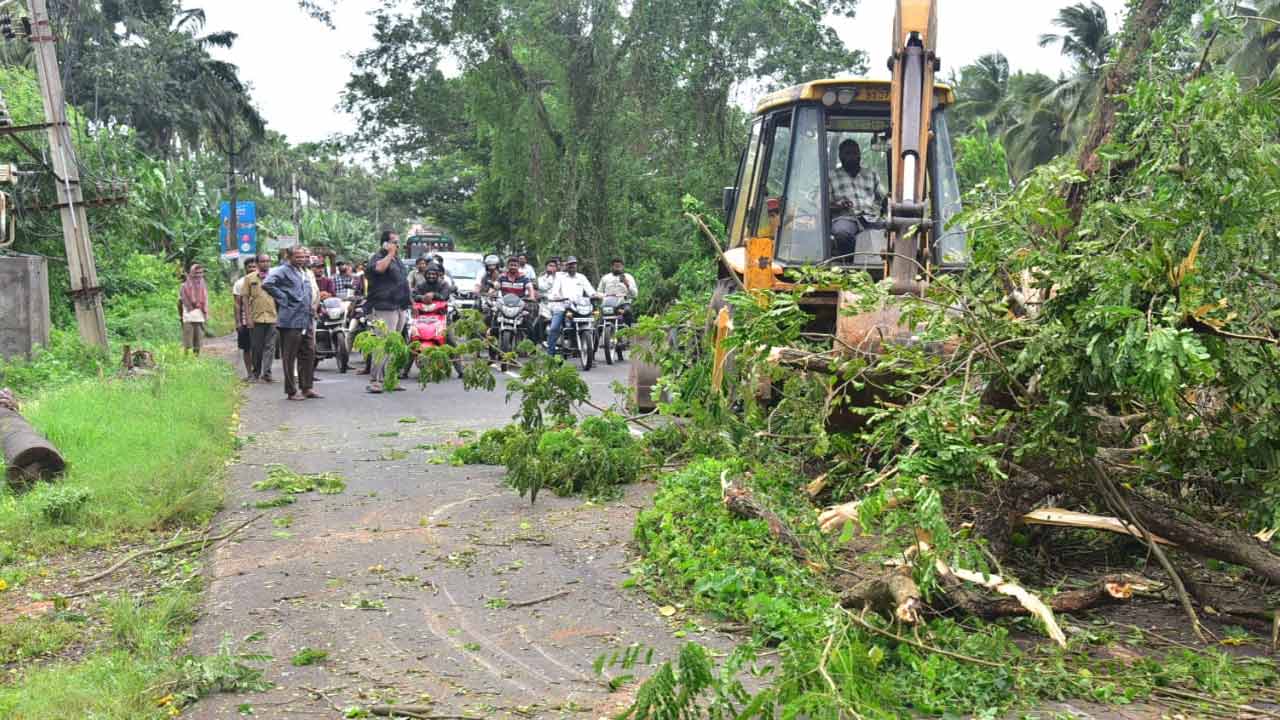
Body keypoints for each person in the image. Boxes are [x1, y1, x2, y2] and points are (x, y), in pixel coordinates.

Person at [263, 246, 322, 401]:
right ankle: (291, 390)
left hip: (306, 319)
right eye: (298, 257)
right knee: (289, 356)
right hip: (290, 320)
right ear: (289, 257)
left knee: (309, 353)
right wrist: (283, 298)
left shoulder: (304, 271)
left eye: (303, 257)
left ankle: (307, 387)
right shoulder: (282, 270)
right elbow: (268, 283)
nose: (302, 259)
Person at [364, 229, 412, 393]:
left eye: (398, 242)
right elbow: (379, 269)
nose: (397, 245)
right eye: (394, 242)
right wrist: (390, 253)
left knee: (395, 344)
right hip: (383, 306)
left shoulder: (398, 260)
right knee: (382, 343)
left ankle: (391, 379)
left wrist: (409, 302)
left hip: (399, 306)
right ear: (385, 244)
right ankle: (374, 380)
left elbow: (403, 282)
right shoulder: (378, 258)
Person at [828, 138, 886, 254]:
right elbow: (822, 203)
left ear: (859, 154)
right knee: (842, 233)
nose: (852, 157)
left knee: (892, 230)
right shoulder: (831, 176)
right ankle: (850, 262)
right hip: (845, 217)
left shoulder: (871, 174)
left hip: (870, 218)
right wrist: (839, 205)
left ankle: (882, 263)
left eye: (855, 153)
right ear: (841, 156)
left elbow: (883, 198)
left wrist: (879, 209)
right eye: (847, 153)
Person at [546, 255, 597, 357]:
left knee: (594, 327)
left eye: (574, 264)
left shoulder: (582, 277)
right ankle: (550, 355)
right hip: (562, 306)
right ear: (566, 266)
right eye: (570, 264)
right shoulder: (560, 277)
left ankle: (592, 356)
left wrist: (596, 296)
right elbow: (554, 292)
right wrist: (556, 297)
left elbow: (591, 291)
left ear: (576, 265)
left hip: (579, 307)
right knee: (554, 328)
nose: (572, 266)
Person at [245, 253, 279, 383]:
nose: (266, 263)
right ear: (258, 263)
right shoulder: (250, 278)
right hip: (256, 318)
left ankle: (267, 373)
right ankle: (256, 373)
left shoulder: (275, 277)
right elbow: (245, 299)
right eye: (263, 261)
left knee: (270, 346)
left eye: (268, 261)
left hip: (272, 317)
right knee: (256, 347)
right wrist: (248, 318)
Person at [233, 257, 258, 378]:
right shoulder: (239, 283)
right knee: (247, 348)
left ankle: (259, 371)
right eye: (250, 267)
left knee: (259, 347)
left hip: (260, 319)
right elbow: (237, 304)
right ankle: (249, 373)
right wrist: (238, 322)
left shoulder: (263, 280)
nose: (252, 269)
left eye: (254, 267)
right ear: (245, 268)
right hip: (244, 320)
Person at [596, 257, 638, 325]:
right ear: (612, 267)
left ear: (623, 267)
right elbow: (599, 292)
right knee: (598, 317)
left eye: (619, 266)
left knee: (628, 311)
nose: (618, 268)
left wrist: (627, 284)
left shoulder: (628, 277)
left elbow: (635, 294)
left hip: (623, 303)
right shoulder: (605, 278)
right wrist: (601, 296)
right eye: (616, 266)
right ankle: (599, 333)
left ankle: (630, 330)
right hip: (608, 304)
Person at [179, 263, 209, 355]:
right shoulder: (184, 286)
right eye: (196, 273)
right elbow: (179, 303)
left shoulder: (203, 286)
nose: (198, 275)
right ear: (191, 273)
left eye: (200, 273)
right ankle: (186, 361)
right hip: (188, 317)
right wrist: (180, 316)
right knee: (187, 343)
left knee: (198, 342)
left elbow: (205, 302)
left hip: (200, 318)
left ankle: (196, 360)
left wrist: (206, 314)